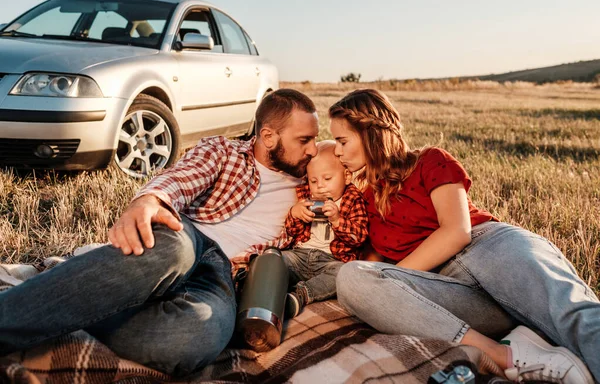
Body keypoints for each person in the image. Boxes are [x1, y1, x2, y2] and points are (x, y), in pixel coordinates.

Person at [0, 89, 319, 377]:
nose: (314, 150)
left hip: (225, 275)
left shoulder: (315, 181)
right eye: (304, 140)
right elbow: (183, 177)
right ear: (268, 136)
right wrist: (151, 199)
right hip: (187, 236)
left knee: (196, 337)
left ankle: (74, 299)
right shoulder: (224, 151)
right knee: (175, 250)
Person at [328, 89, 599, 384]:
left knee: (572, 316)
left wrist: (397, 277)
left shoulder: (429, 160)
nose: (337, 151)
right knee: (351, 278)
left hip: (489, 248)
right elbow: (369, 271)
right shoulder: (364, 199)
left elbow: (457, 232)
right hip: (451, 291)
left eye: (342, 141)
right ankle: (502, 355)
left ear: (371, 134)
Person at [281, 140, 368, 318]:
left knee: (343, 274)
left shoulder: (352, 199)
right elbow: (292, 232)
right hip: (300, 256)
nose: (320, 185)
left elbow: (359, 237)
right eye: (313, 180)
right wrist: (295, 214)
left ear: (346, 176)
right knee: (276, 259)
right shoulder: (305, 196)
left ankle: (302, 294)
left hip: (332, 260)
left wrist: (337, 220)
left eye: (327, 179)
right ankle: (268, 290)